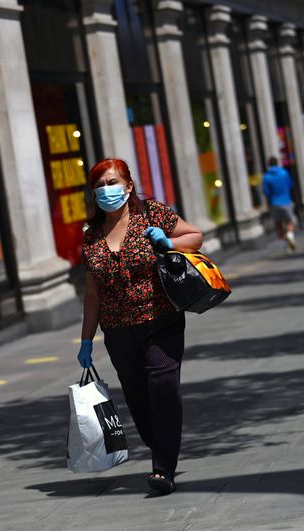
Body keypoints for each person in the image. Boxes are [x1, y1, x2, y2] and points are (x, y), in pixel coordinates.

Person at [76, 158, 203, 495]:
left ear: (128, 185)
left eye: (112, 182)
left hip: (161, 321)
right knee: (137, 399)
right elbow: (92, 295)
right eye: (100, 185)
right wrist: (86, 341)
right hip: (117, 332)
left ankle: (163, 467)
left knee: (163, 387)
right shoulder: (90, 239)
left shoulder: (152, 214)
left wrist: (169, 243)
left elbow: (196, 236)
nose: (107, 190)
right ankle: (159, 442)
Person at [262, 156, 298, 252]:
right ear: (277, 163)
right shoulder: (284, 173)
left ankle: (284, 245)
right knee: (289, 221)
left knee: (278, 224)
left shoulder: (266, 176)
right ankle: (290, 236)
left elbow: (266, 192)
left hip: (274, 203)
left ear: (268, 164)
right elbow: (290, 185)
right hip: (286, 201)